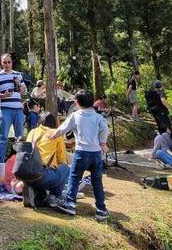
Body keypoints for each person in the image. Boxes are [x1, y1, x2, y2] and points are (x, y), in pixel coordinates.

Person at [49, 90, 110, 219]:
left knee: (74, 177)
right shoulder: (98, 117)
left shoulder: (75, 115)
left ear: (76, 102)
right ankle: (101, 209)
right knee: (97, 181)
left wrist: (52, 135)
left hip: (81, 152)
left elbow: (62, 129)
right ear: (92, 102)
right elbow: (105, 129)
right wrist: (103, 143)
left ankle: (70, 203)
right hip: (96, 153)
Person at [22, 111, 71, 209]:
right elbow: (62, 159)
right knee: (66, 169)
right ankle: (53, 196)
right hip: (41, 175)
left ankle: (33, 189)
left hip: (25, 174)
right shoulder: (56, 134)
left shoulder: (33, 131)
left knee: (43, 172)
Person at [0, 53, 27, 172]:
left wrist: (18, 83)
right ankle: (0, 165)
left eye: (9, 62)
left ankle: (20, 164)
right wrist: (4, 95)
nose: (7, 64)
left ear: (12, 62)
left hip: (18, 109)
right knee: (3, 138)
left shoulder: (18, 74)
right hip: (5, 109)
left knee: (20, 138)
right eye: (4, 62)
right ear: (1, 63)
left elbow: (24, 91)